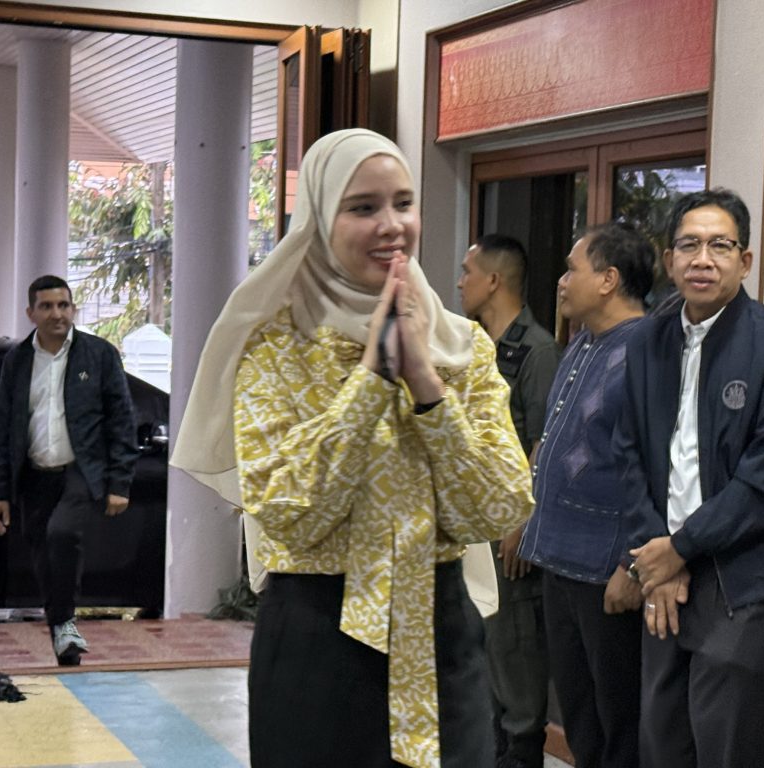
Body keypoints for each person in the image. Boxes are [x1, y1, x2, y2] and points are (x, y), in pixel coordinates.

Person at [171, 129, 534, 768]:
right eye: (363, 207)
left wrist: (426, 386)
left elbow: (500, 504)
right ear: (318, 219)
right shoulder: (275, 349)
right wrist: (370, 382)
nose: (391, 225)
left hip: (441, 638)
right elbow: (289, 509)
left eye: (403, 203)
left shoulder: (460, 348)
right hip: (315, 643)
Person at [616, 189, 764, 768]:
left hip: (744, 574)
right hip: (665, 570)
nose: (702, 259)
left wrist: (680, 548)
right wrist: (655, 555)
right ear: (669, 259)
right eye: (689, 245)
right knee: (662, 739)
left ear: (744, 261)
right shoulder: (646, 342)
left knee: (732, 742)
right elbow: (628, 455)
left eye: (720, 245)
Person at [519, 222, 654, 768]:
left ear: (608, 280)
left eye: (572, 268)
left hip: (607, 569)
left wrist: (632, 564)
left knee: (620, 721)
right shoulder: (581, 344)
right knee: (580, 718)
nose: (561, 280)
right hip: (559, 558)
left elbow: (657, 469)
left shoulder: (647, 350)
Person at [0, 275, 138, 665]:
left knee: (63, 533)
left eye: (64, 305)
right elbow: (1, 427)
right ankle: (62, 632)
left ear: (73, 309)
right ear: (31, 313)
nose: (57, 314)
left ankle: (65, 620)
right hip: (33, 475)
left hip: (81, 471)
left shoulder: (99, 355)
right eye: (47, 306)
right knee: (42, 554)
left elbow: (122, 420)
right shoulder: (17, 361)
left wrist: (119, 482)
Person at [458, 234, 560, 768]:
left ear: (494, 280)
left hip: (511, 538)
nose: (460, 282)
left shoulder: (538, 351)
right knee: (486, 667)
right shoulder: (474, 347)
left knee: (516, 667)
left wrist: (525, 523)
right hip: (475, 532)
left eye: (468, 271)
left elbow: (546, 444)